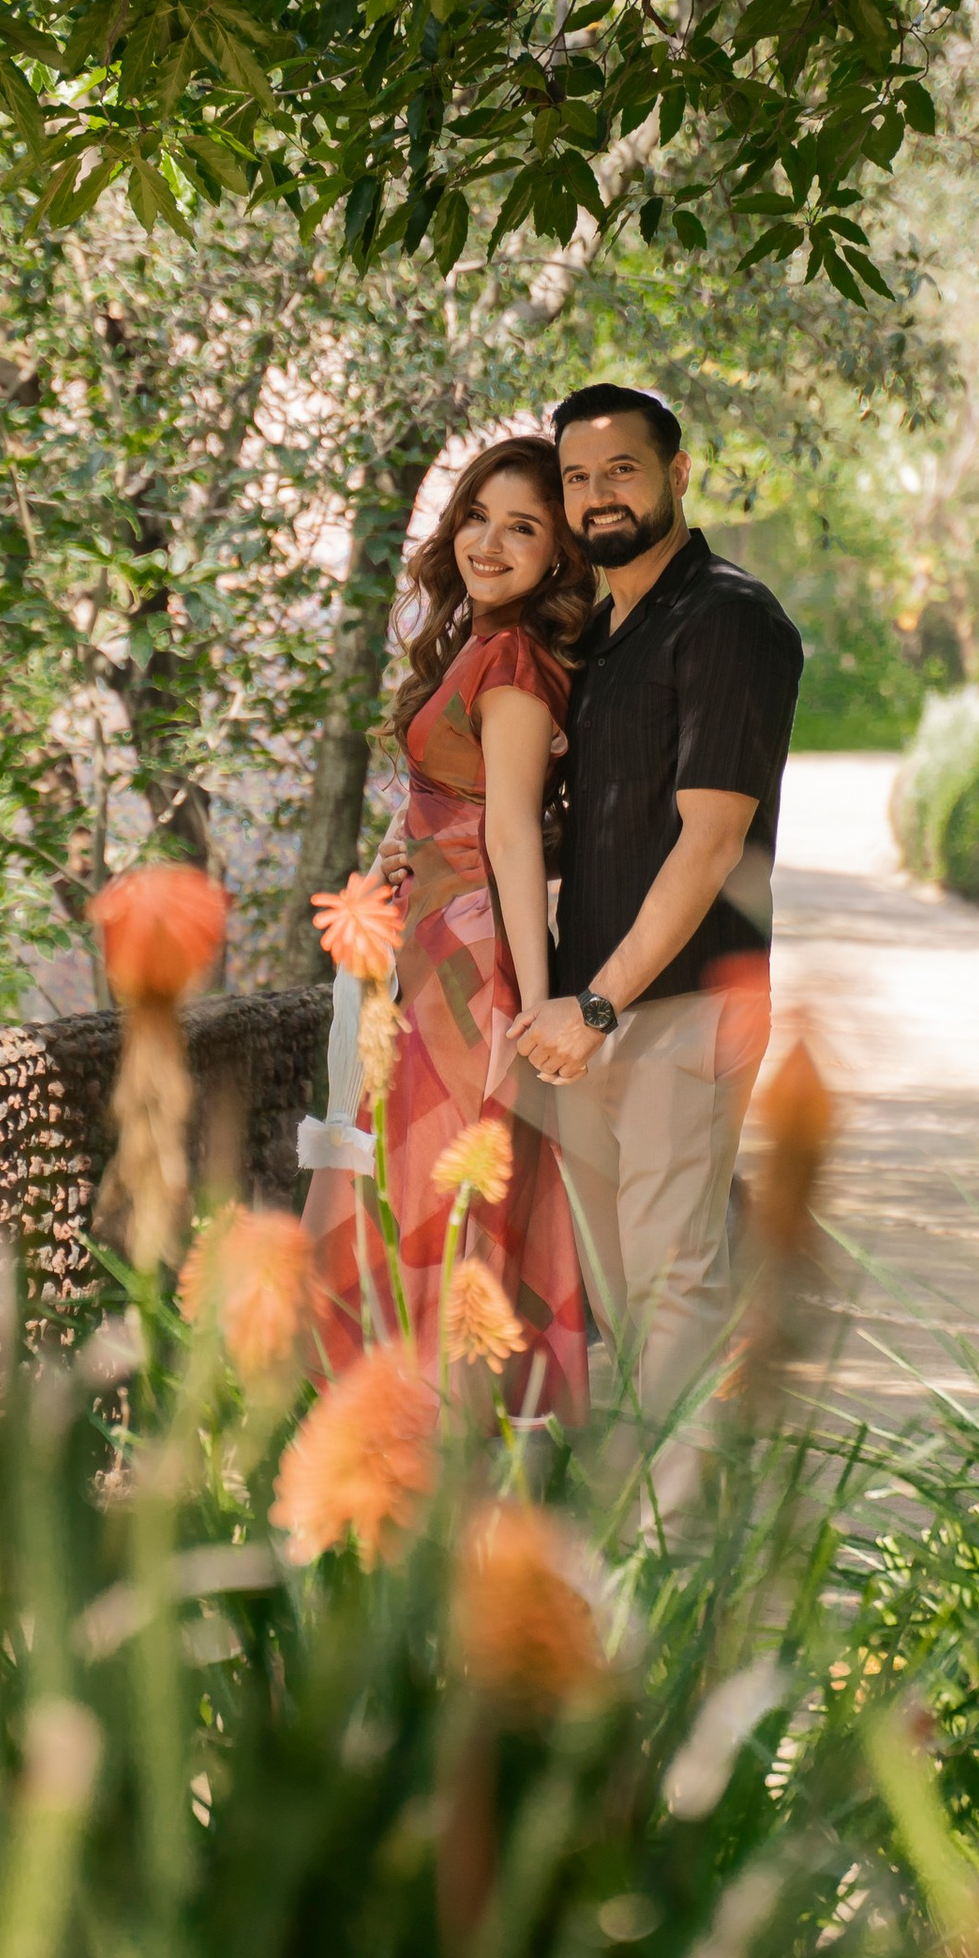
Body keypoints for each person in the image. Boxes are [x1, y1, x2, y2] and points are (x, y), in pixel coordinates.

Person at [511, 384, 803, 1452]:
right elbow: (608, 825)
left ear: (677, 474)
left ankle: (676, 1533)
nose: (598, 496)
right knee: (620, 1291)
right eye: (577, 479)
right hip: (589, 1019)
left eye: (621, 471)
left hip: (681, 1006)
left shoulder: (728, 619)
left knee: (675, 1281)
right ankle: (645, 1515)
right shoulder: (599, 633)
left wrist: (596, 1003)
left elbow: (711, 840)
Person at [305, 436, 592, 1419]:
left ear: (558, 555)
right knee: (405, 1180)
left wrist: (536, 1003)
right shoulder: (481, 640)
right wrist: (405, 848)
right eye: (477, 517)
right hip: (430, 941)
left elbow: (509, 833)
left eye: (523, 529)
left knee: (433, 1194)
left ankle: (426, 1441)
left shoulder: (512, 660)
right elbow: (457, 805)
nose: (489, 543)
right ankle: (403, 1437)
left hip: (467, 964)